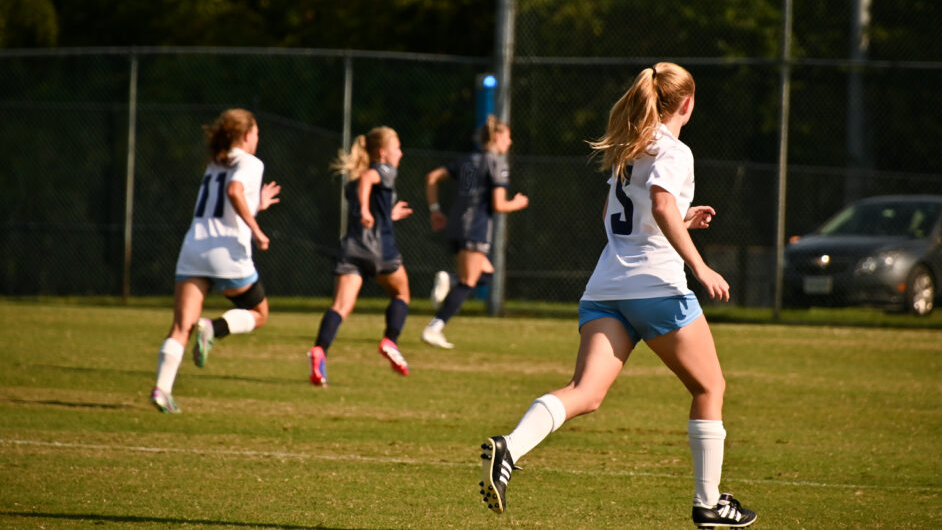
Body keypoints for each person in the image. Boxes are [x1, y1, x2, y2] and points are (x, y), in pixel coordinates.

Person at [477, 64, 757, 529]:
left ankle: (511, 446)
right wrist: (699, 264)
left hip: (606, 289)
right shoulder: (674, 150)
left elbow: (614, 217)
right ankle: (708, 504)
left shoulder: (630, 149)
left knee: (584, 393)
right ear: (686, 103)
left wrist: (680, 225)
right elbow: (663, 205)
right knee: (710, 388)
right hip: (658, 289)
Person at [151, 108, 281, 414]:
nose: (258, 139)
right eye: (257, 133)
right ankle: (213, 328)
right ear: (247, 135)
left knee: (181, 326)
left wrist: (256, 205)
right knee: (258, 312)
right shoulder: (251, 162)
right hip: (227, 251)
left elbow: (228, 200)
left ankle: (162, 389)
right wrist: (258, 229)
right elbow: (235, 192)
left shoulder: (215, 163)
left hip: (194, 247)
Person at [307, 126, 415, 386]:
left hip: (352, 248)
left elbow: (365, 191)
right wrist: (367, 210)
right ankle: (390, 340)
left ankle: (320, 350)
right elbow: (369, 179)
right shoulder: (383, 169)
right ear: (382, 152)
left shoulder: (352, 182)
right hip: (379, 249)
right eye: (397, 147)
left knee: (341, 306)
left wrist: (387, 215)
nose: (400, 153)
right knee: (401, 293)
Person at [421, 115, 529, 349]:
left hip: (455, 225)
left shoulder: (466, 159)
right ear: (498, 137)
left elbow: (432, 177)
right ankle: (434, 327)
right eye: (508, 137)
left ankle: (448, 283)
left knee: (486, 275)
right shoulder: (497, 163)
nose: (509, 143)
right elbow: (499, 205)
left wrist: (435, 210)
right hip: (476, 226)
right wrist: (517, 203)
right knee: (468, 282)